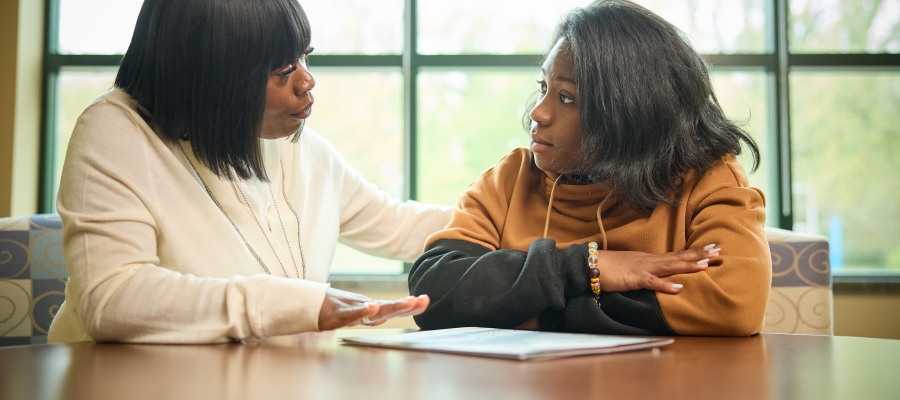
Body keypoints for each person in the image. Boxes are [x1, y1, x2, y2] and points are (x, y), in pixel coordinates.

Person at [48, 0, 451, 344]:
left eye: (304, 57)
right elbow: (113, 298)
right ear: (212, 77)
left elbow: (401, 225)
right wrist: (302, 304)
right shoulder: (115, 133)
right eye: (282, 71)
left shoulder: (297, 149)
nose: (307, 80)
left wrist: (508, 203)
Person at [409, 0, 771, 336]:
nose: (538, 112)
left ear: (629, 113)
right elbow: (433, 290)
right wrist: (587, 266)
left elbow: (733, 302)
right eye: (543, 87)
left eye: (566, 97)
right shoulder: (509, 179)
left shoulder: (706, 177)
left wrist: (537, 313)